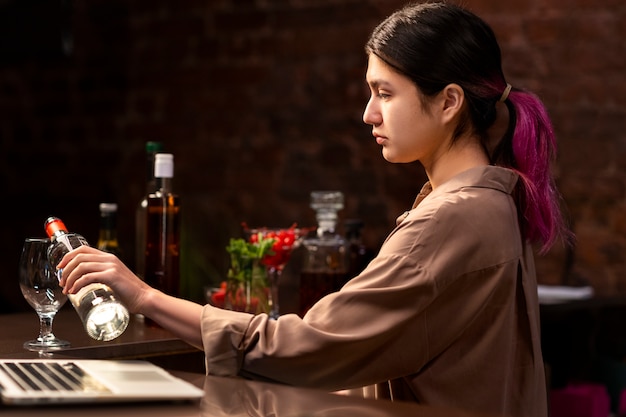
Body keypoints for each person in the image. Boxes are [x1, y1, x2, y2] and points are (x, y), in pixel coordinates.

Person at [57, 2, 571, 416]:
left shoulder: (453, 218)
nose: (367, 112)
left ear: (449, 101)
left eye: (384, 93)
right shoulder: (495, 201)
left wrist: (145, 296)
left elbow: (300, 348)